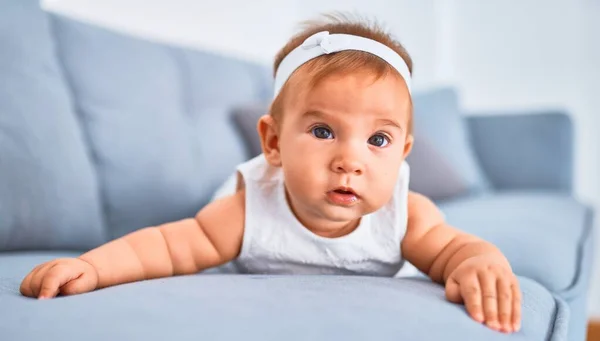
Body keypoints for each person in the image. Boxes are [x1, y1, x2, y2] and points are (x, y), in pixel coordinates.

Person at [19, 13, 521, 334]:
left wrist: (481, 262)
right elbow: (166, 246)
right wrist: (92, 268)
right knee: (201, 232)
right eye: (323, 131)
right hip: (245, 234)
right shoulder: (245, 209)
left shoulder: (405, 214)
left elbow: (457, 248)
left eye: (378, 140)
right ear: (274, 142)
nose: (351, 160)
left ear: (403, 153)